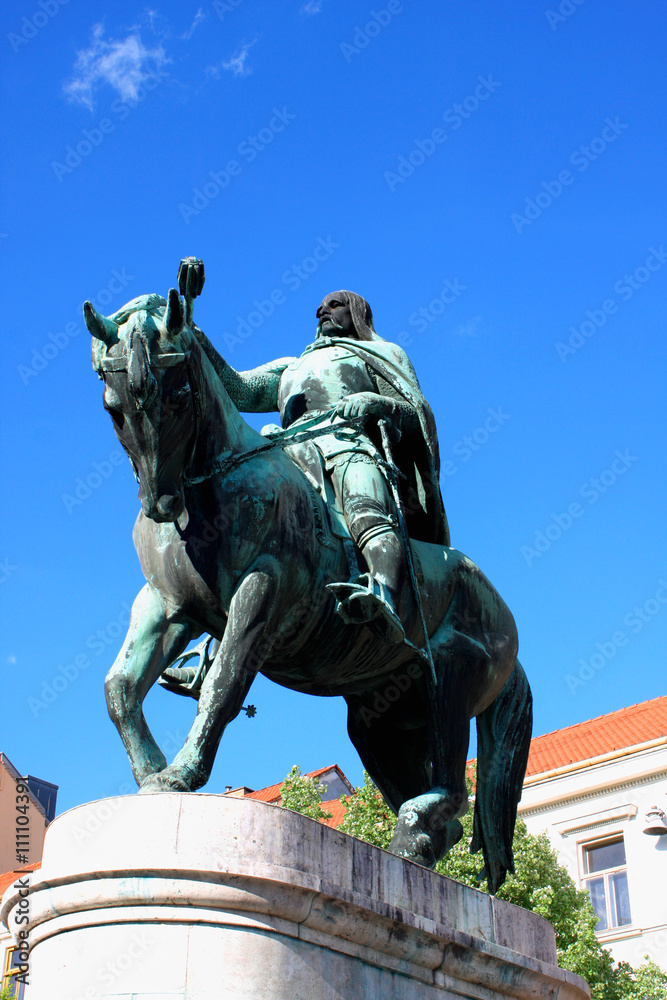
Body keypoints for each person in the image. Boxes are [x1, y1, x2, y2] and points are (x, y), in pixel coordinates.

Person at [192, 289, 449, 644]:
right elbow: (238, 388)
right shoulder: (290, 367)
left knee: (364, 507)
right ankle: (215, 642)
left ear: (357, 313)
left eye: (334, 305)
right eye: (320, 308)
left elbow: (415, 414)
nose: (322, 312)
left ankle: (384, 596)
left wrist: (374, 402)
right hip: (289, 450)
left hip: (347, 444)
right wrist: (194, 334)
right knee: (243, 524)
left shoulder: (379, 355)